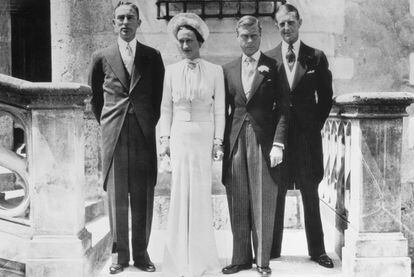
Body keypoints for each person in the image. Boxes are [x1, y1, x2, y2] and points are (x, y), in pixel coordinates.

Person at [88, 1, 164, 274]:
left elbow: (157, 97)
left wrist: (144, 120)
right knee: (118, 196)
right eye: (119, 18)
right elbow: (96, 99)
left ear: (139, 23)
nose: (125, 22)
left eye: (130, 18)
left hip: (143, 133)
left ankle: (142, 255)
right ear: (113, 23)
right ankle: (120, 257)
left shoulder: (152, 56)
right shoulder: (101, 56)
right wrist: (111, 123)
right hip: (115, 135)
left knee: (143, 194)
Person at [265, 3, 334, 268]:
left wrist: (314, 124)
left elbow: (326, 97)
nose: (286, 28)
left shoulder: (315, 57)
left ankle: (317, 250)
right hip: (279, 140)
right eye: (281, 23)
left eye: (290, 23)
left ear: (299, 22)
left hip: (306, 139)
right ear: (277, 25)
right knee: (277, 191)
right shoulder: (269, 59)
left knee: (310, 192)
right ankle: (272, 249)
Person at [221, 16, 289, 276]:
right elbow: (223, 111)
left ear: (260, 36)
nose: (249, 41)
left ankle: (262, 261)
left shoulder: (274, 66)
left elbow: (284, 109)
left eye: (253, 36)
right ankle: (240, 259)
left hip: (264, 140)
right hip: (236, 137)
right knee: (238, 197)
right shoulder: (227, 69)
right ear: (237, 37)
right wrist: (220, 143)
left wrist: (278, 143)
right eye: (244, 36)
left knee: (263, 197)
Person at [159, 13, 225, 277]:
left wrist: (218, 141)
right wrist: (164, 140)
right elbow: (166, 108)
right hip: (179, 137)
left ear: (200, 41)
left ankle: (201, 259)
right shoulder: (171, 71)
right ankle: (177, 261)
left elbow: (219, 110)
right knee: (179, 194)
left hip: (203, 135)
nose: (185, 46)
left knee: (199, 196)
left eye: (189, 41)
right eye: (181, 41)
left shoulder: (215, 71)